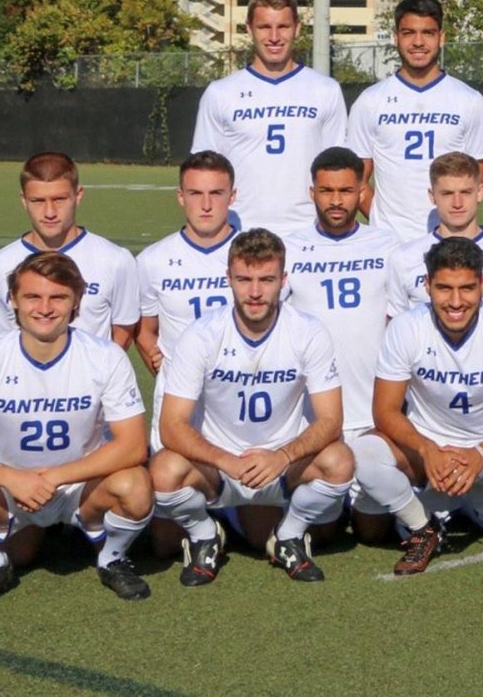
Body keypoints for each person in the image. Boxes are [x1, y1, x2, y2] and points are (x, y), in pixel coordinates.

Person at [0, 252, 153, 610]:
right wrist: (12, 478)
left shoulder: (104, 356)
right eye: (32, 297)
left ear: (76, 301)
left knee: (136, 485)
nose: (44, 308)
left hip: (81, 486)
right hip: (13, 488)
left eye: (58, 297)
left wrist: (57, 476)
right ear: (12, 300)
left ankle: (112, 558)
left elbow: (133, 446)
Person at [150, 229, 355, 585]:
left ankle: (289, 536)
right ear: (228, 278)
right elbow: (172, 426)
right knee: (163, 471)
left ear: (283, 280)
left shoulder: (307, 331)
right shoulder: (201, 335)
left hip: (281, 464)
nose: (255, 292)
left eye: (266, 279)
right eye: (244, 279)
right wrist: (226, 460)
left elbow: (331, 420)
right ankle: (204, 536)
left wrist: (283, 456)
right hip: (218, 466)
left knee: (340, 461)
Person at [355, 237, 483, 573]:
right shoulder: (405, 328)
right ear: (426, 285)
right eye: (443, 288)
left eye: (467, 288)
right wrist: (427, 450)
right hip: (431, 460)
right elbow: (384, 411)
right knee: (363, 454)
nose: (455, 301)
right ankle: (422, 527)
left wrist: (480, 453)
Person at [280, 147, 400, 537]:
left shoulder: (388, 246)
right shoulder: (289, 248)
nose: (336, 201)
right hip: (311, 418)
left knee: (373, 531)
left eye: (346, 191)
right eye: (326, 191)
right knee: (324, 533)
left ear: (362, 190)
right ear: (311, 191)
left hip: (371, 412)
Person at [191, 0, 346, 232]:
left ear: (297, 28)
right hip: (238, 230)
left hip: (308, 230)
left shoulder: (325, 90)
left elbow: (337, 171)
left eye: (283, 27)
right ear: (249, 29)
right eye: (264, 27)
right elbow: (202, 172)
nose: (274, 37)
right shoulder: (220, 93)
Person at [346, 0, 483, 241]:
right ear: (396, 37)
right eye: (408, 33)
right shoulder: (370, 101)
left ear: (441, 37)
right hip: (389, 245)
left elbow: (479, 175)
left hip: (450, 241)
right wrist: (382, 222)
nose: (418, 42)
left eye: (427, 33)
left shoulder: (469, 100)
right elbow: (355, 180)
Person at [0, 152, 140, 349]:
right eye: (38, 201)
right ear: (24, 200)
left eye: (59, 199)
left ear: (78, 196)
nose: (49, 212)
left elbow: (124, 329)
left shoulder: (116, 260)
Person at [135, 151, 238, 454]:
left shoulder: (253, 255)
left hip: (239, 388)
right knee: (172, 481)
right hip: (179, 397)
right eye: (195, 193)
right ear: (181, 197)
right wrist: (163, 363)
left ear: (233, 196)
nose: (206, 205)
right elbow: (144, 329)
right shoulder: (153, 260)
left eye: (216, 193)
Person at [387, 151, 483, 319]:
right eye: (447, 194)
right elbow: (395, 326)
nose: (457, 203)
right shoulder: (403, 258)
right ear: (432, 196)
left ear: (480, 192)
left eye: (465, 192)